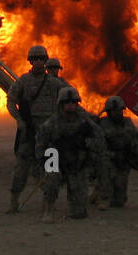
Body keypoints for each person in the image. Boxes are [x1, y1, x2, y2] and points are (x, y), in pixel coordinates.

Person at [5, 45, 63, 212]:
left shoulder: (54, 83)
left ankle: (48, 205)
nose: (38, 62)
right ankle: (14, 201)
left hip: (48, 134)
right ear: (30, 61)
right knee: (21, 169)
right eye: (34, 59)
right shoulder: (23, 81)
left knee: (50, 170)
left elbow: (68, 102)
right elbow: (10, 101)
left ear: (45, 61)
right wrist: (19, 120)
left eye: (41, 59)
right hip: (29, 133)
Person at [34, 87, 101, 222]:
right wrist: (46, 162)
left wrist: (86, 144)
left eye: (73, 102)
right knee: (52, 180)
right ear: (61, 104)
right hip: (56, 161)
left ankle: (75, 206)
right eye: (67, 102)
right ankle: (48, 210)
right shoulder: (52, 123)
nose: (71, 105)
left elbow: (99, 140)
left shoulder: (85, 123)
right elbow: (40, 144)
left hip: (77, 163)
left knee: (79, 214)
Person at [97, 96, 138, 207]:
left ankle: (100, 191)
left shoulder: (128, 123)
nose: (117, 113)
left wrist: (134, 156)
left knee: (119, 202)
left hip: (123, 161)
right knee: (106, 172)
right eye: (114, 111)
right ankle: (103, 195)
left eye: (119, 110)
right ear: (108, 112)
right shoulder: (102, 124)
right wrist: (112, 155)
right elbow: (98, 147)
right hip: (107, 160)